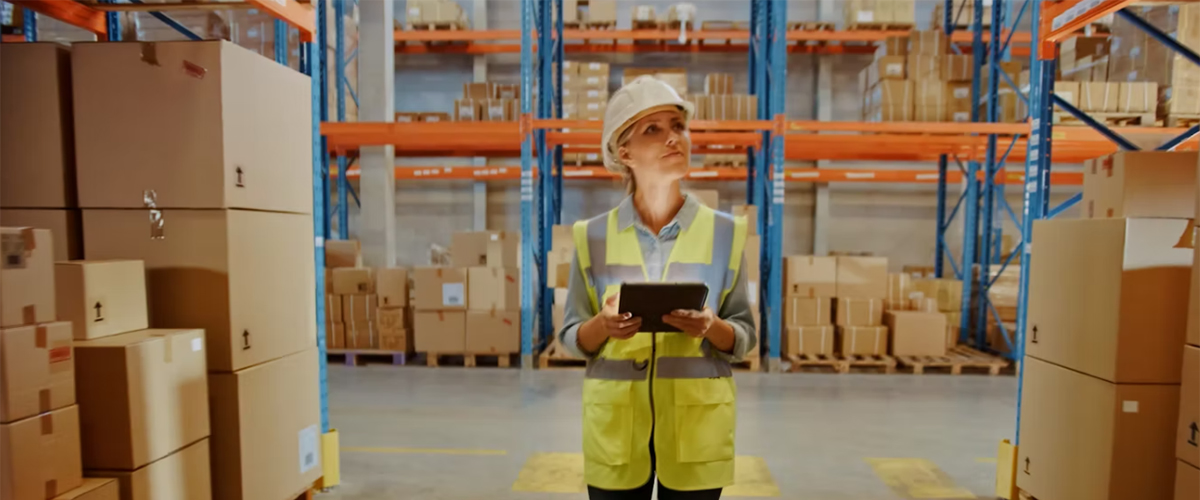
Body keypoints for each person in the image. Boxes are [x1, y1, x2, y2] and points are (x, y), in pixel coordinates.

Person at [556, 75, 758, 500]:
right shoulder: (591, 236)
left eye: (678, 126)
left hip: (696, 432)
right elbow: (572, 336)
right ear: (624, 152)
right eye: (653, 129)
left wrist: (710, 327)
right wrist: (603, 326)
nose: (673, 138)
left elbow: (744, 336)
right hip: (617, 433)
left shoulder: (726, 233)